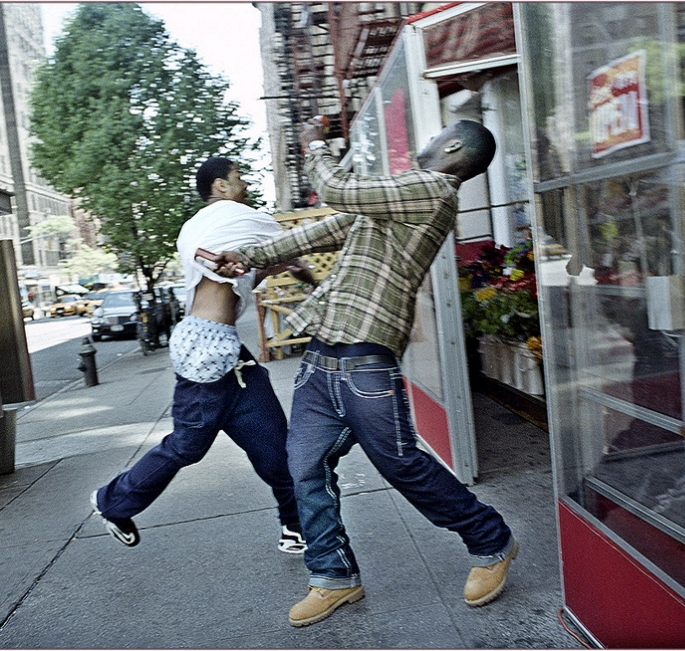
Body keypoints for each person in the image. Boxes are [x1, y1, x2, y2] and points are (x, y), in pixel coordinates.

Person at [214, 120, 517, 627]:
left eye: (438, 132)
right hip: (321, 358)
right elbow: (326, 227)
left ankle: (492, 541)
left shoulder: (432, 189)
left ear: (455, 147)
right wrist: (244, 257)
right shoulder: (395, 198)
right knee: (305, 467)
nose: (428, 137)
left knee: (400, 464)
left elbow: (335, 189)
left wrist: (315, 145)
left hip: (365, 361)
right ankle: (333, 577)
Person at [90, 156, 314, 554]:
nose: (244, 183)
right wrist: (274, 256)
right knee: (187, 445)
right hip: (206, 348)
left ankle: (295, 526)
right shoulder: (222, 221)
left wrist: (284, 264)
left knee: (274, 445)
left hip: (231, 359)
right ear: (221, 187)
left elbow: (245, 273)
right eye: (238, 177)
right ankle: (112, 501)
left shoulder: (218, 227)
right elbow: (215, 256)